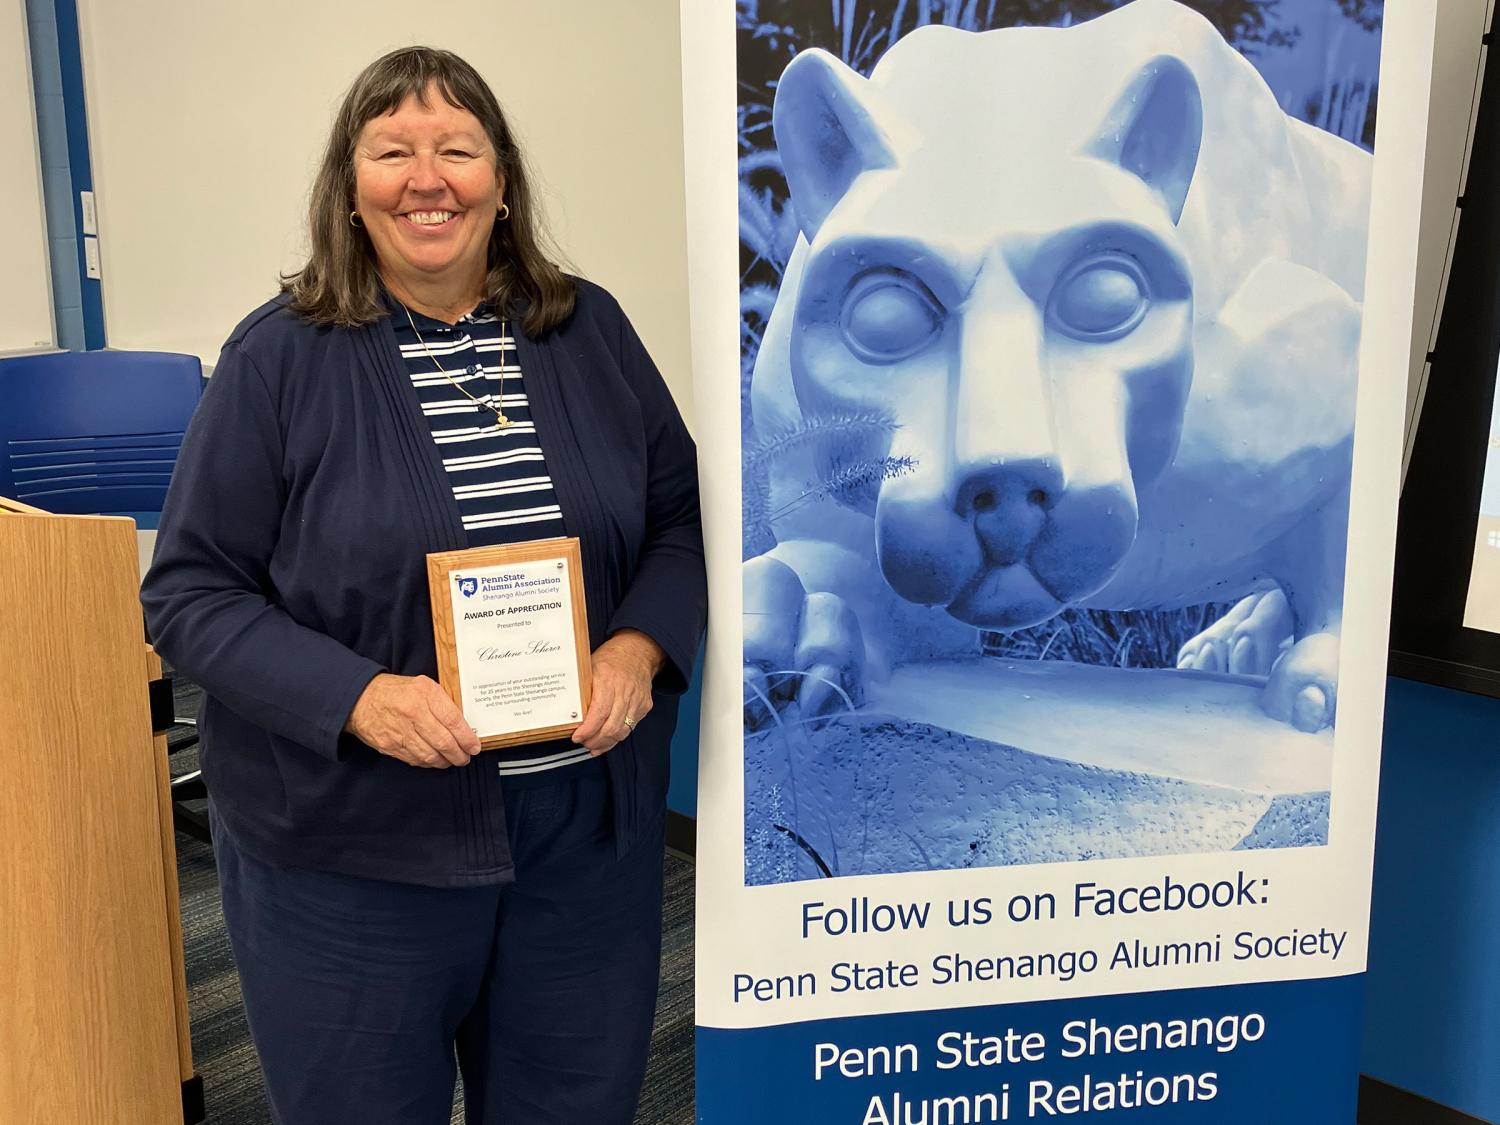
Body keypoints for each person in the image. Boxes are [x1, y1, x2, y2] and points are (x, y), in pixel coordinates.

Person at [141, 46, 705, 1125]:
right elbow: (191, 595)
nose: (427, 177)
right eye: (393, 151)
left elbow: (677, 524)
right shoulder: (278, 359)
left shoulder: (588, 331)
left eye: (457, 147)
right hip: (355, 853)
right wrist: (361, 700)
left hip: (580, 842)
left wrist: (637, 652)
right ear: (351, 187)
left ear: (503, 178)